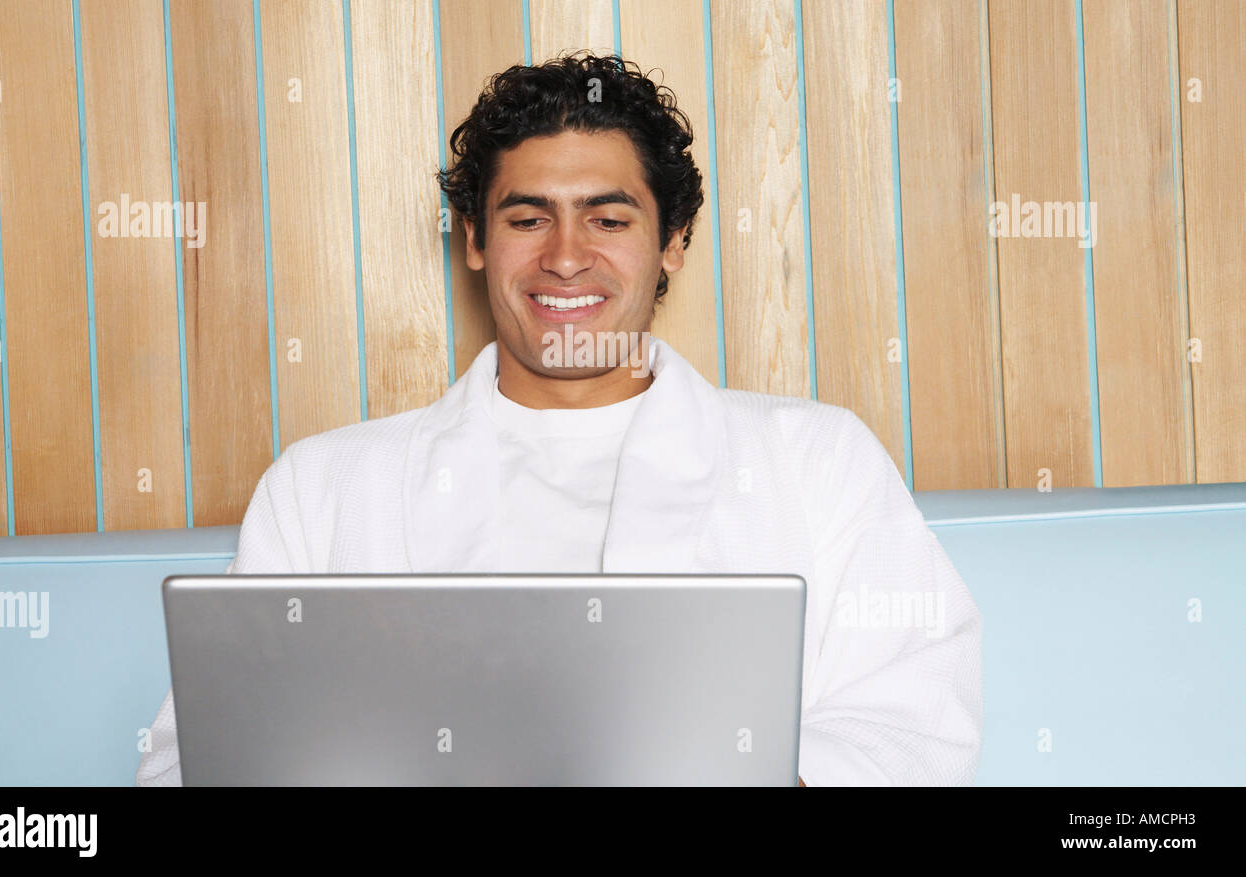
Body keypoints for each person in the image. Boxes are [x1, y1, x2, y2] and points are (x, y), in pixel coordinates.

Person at [137, 52, 981, 787]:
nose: (566, 255)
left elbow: (912, 720)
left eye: (608, 219)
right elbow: (192, 759)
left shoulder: (817, 460)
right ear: (474, 239)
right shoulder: (321, 488)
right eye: (527, 217)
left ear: (673, 240)